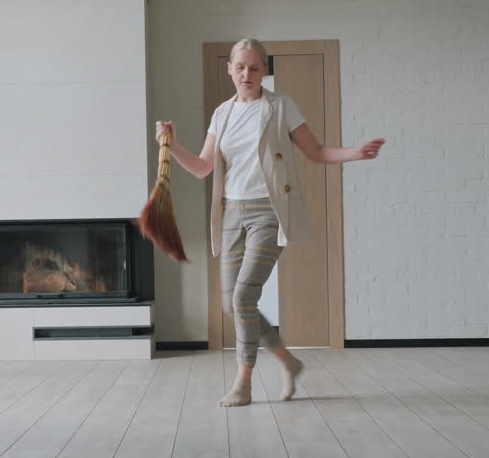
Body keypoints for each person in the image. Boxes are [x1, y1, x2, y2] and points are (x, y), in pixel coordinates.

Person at [156, 38, 384, 407]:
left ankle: (243, 383)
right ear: (229, 69)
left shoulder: (281, 107)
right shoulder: (222, 113)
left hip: (269, 212)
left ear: (265, 71)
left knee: (244, 295)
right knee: (232, 303)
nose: (247, 74)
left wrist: (355, 153)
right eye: (241, 66)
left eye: (255, 67)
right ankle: (288, 361)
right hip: (231, 213)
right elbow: (202, 168)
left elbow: (316, 151)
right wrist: (172, 144)